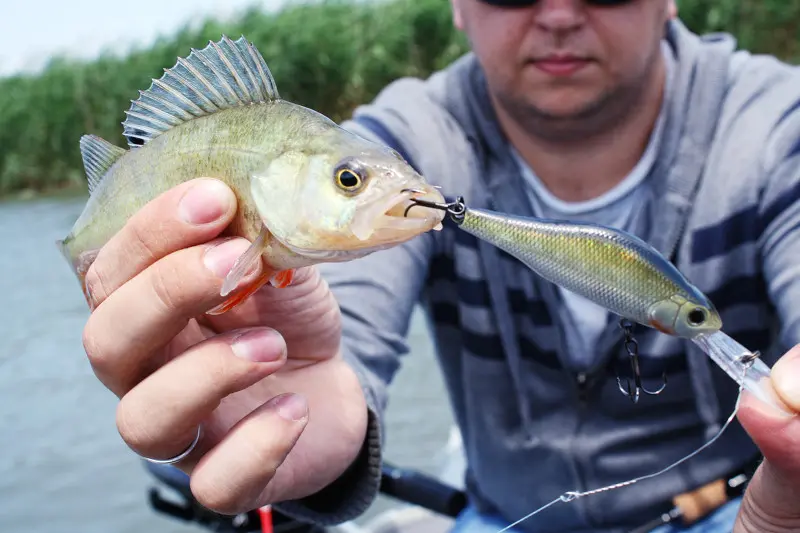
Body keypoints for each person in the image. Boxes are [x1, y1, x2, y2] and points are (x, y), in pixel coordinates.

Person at [77, 0, 800, 532]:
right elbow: (342, 326)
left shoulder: (776, 124)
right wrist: (308, 412)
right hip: (504, 517)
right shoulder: (409, 138)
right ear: (457, 6)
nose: (557, 14)